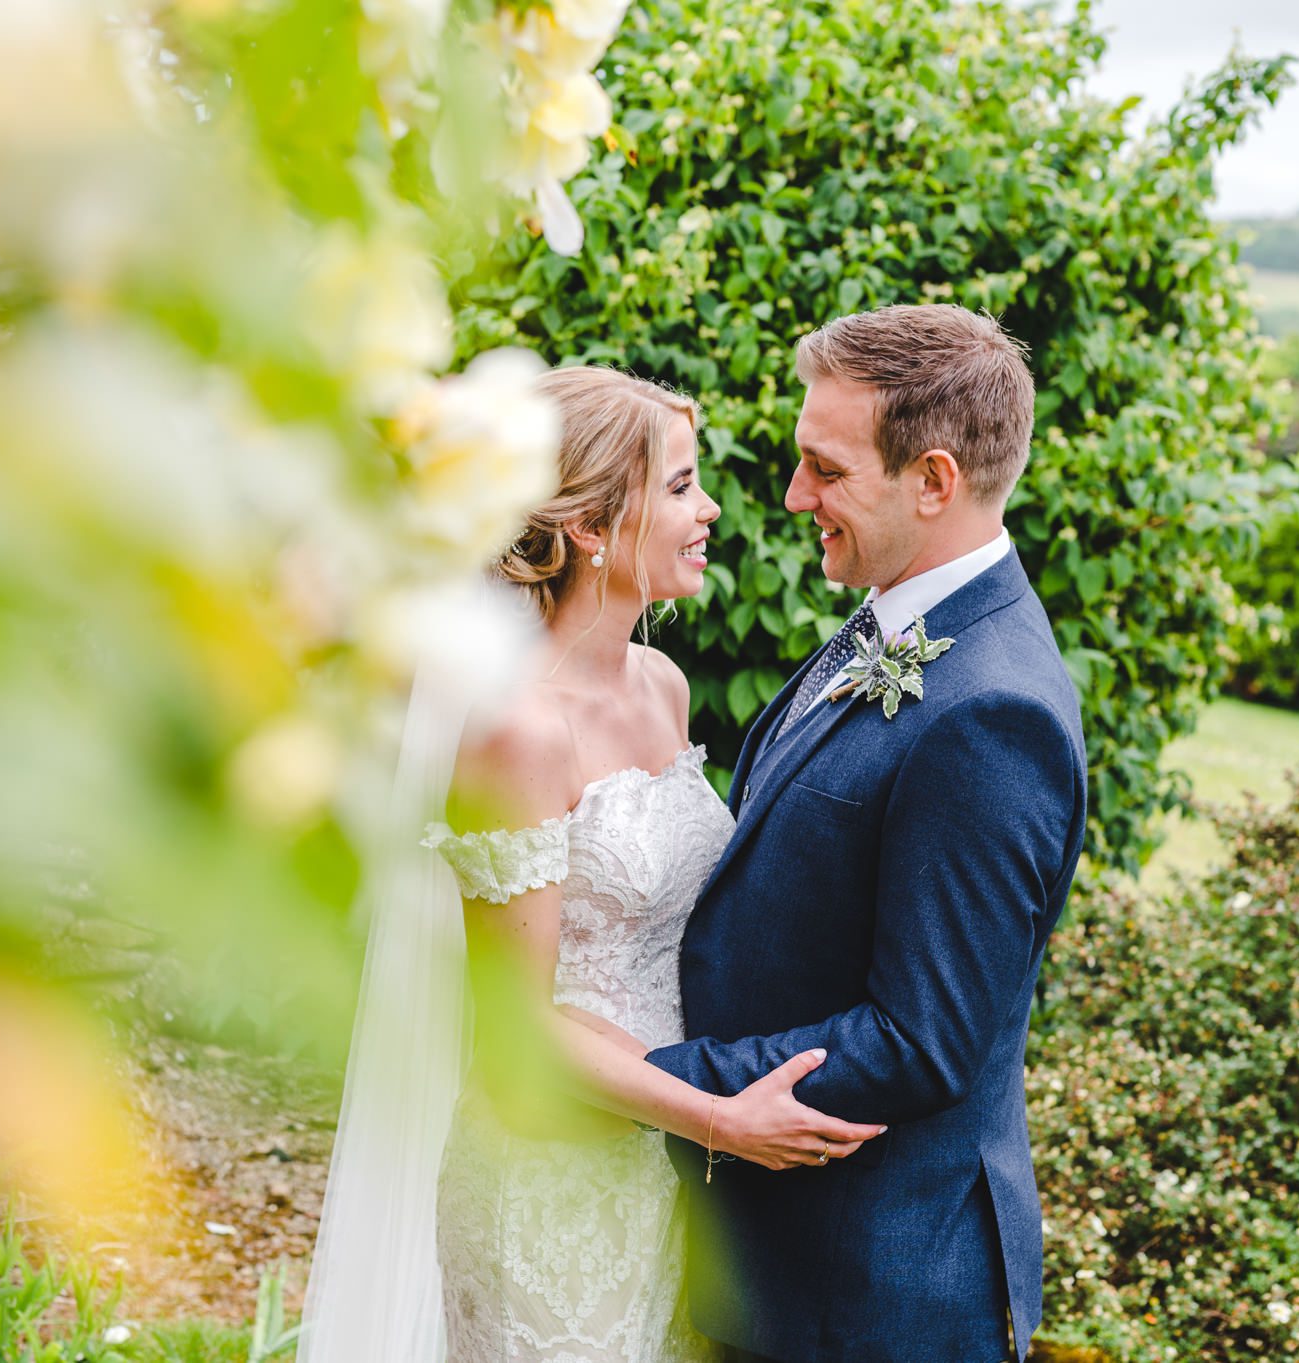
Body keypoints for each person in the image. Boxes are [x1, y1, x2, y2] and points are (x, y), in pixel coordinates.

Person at [297, 365, 878, 1363]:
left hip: (664, 1171)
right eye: (680, 486)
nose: (708, 512)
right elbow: (517, 1025)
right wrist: (719, 1119)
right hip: (546, 1180)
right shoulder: (514, 733)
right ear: (588, 528)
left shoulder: (662, 686)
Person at [644, 304, 1089, 1363]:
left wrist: (661, 1081)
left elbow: (918, 1038)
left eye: (824, 470)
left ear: (931, 481)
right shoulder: (895, 615)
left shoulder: (992, 711)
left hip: (870, 1297)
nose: (795, 497)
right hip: (782, 1266)